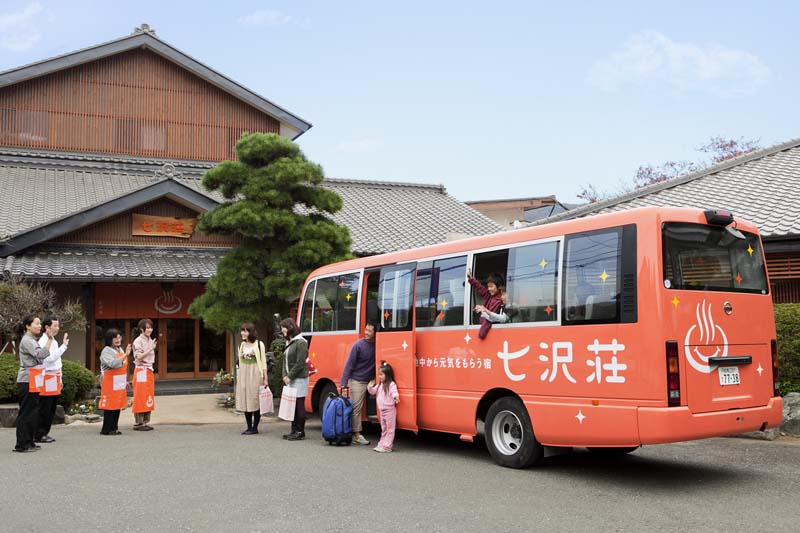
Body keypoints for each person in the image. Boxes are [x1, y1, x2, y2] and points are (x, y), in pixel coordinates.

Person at [13, 315, 51, 453]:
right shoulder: (27, 340)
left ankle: (29, 441)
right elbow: (40, 355)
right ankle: (22, 444)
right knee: (27, 412)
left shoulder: (32, 340)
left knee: (33, 411)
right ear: (28, 326)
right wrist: (50, 339)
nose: (39, 326)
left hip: (33, 379)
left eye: (40, 323)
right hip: (26, 379)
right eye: (36, 323)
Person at [340, 322, 376, 445]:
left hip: (371, 381)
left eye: (370, 331)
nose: (366, 333)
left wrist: (375, 379)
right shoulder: (358, 345)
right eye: (366, 330)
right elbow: (349, 364)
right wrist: (344, 383)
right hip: (357, 380)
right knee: (356, 408)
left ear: (375, 333)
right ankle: (357, 435)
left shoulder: (378, 344)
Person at [35, 316, 69, 444]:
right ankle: (39, 433)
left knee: (51, 407)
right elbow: (48, 359)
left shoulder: (53, 341)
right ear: (47, 327)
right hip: (47, 376)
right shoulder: (43, 341)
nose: (57, 328)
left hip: (54, 376)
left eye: (58, 326)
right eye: (55, 326)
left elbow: (57, 363)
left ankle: (45, 432)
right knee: (45, 407)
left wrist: (60, 379)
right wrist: (63, 347)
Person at [235, 323, 267, 435]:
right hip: (243, 375)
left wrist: (265, 378)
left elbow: (263, 362)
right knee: (245, 400)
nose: (242, 333)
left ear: (251, 332)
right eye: (242, 330)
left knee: (255, 400)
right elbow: (240, 362)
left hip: (255, 375)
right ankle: (249, 427)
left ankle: (255, 427)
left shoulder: (259, 344)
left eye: (245, 331)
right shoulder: (241, 345)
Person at [281, 318, 309, 441]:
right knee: (292, 405)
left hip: (299, 379)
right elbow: (284, 361)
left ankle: (300, 431)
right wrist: (284, 375)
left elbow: (300, 363)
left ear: (290, 327)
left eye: (284, 327)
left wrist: (290, 376)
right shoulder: (289, 342)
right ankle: (294, 429)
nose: (282, 330)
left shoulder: (301, 342)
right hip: (290, 379)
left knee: (299, 405)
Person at [99, 328, 131, 435]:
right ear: (109, 339)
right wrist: (125, 355)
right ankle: (106, 429)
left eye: (119, 337)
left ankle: (114, 428)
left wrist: (125, 380)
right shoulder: (106, 351)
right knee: (110, 405)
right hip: (109, 381)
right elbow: (112, 364)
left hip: (119, 381)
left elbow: (123, 367)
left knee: (117, 404)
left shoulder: (120, 349)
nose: (118, 340)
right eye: (115, 338)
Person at [367, 362, 400, 453]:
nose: (379, 376)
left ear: (387, 375)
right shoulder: (380, 385)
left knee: (390, 429)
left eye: (381, 375)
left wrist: (396, 397)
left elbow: (394, 392)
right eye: (379, 374)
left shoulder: (391, 384)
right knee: (384, 429)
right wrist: (370, 387)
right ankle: (381, 444)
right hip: (382, 411)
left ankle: (387, 446)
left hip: (389, 411)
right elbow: (373, 392)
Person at [132, 318, 156, 431]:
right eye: (147, 328)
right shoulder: (138, 341)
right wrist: (151, 349)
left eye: (151, 327)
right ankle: (139, 422)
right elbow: (139, 357)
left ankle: (145, 421)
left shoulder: (150, 339)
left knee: (148, 395)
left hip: (149, 370)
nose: (150, 330)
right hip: (141, 370)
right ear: (142, 329)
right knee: (140, 395)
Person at [467, 269, 504, 339]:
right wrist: (471, 279)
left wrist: (482, 333)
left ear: (499, 286)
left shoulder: (498, 301)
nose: (489, 289)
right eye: (488, 286)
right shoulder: (490, 295)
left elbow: (490, 318)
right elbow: (480, 289)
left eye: (491, 286)